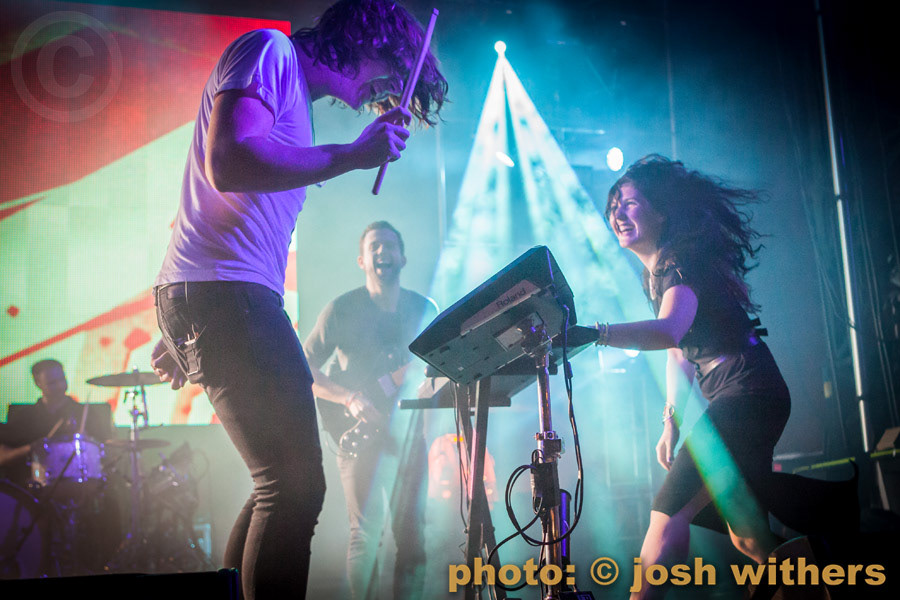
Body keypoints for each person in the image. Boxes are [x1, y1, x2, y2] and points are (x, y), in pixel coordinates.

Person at [148, 1, 447, 598]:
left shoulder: (294, 100)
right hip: (227, 295)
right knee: (294, 486)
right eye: (391, 73)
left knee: (278, 485)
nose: (385, 92)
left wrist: (185, 318)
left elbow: (219, 210)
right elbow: (228, 161)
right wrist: (351, 156)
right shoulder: (270, 49)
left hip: (219, 294)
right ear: (367, 40)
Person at [595, 155, 857, 599]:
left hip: (747, 394)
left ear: (661, 212)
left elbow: (668, 331)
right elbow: (678, 351)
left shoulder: (680, 263)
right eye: (614, 206)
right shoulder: (655, 274)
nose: (618, 213)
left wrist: (597, 333)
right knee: (749, 539)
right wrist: (670, 421)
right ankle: (825, 576)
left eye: (630, 203)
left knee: (665, 523)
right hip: (750, 395)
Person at [304, 221, 438, 600]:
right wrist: (349, 398)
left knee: (412, 536)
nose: (382, 252)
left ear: (403, 258)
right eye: (374, 246)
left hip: (407, 434)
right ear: (361, 260)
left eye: (390, 246)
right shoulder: (340, 310)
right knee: (365, 534)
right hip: (357, 433)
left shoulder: (424, 310)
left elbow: (439, 370)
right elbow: (304, 368)